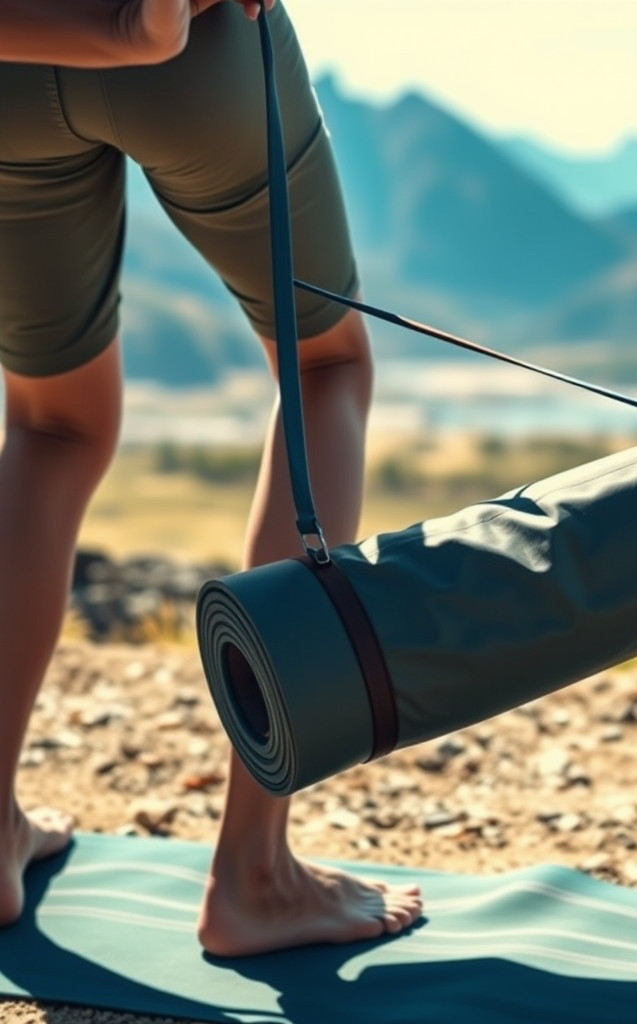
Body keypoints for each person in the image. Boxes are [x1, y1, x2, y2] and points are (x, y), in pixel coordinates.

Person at [0, 0, 423, 955]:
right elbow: (145, 30)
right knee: (324, 369)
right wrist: (137, 32)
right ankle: (255, 874)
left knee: (49, 423)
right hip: (185, 48)